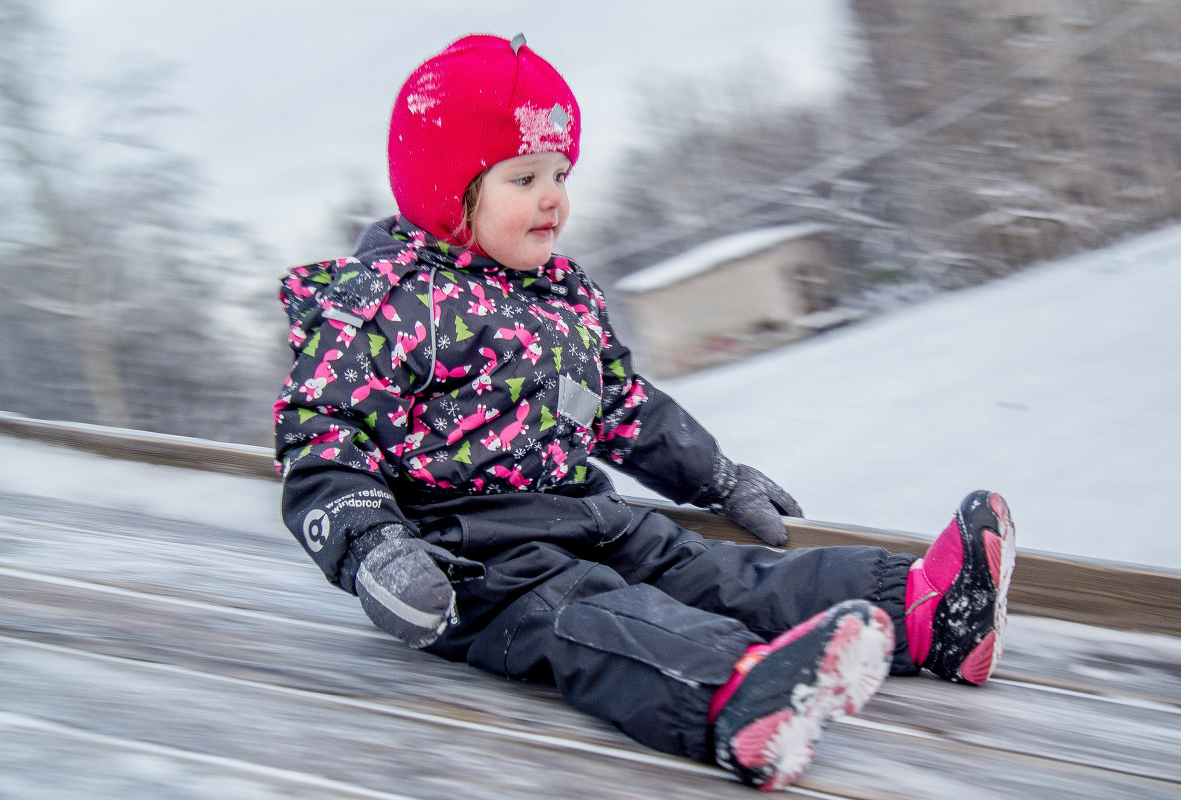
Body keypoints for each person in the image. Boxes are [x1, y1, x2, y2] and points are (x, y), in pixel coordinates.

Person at [273, 33, 1016, 792]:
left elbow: (624, 407)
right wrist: (376, 552)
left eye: (560, 173)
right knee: (589, 613)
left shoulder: (562, 298)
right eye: (524, 176)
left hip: (590, 519)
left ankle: (924, 609)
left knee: (713, 569)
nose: (554, 196)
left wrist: (719, 478)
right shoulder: (388, 304)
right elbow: (320, 443)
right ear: (445, 190)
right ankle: (738, 693)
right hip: (473, 562)